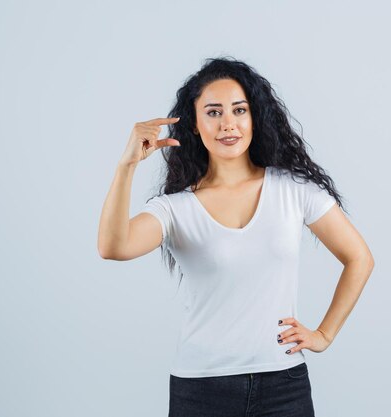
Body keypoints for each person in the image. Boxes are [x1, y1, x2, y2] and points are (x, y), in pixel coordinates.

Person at [97, 57, 375, 417]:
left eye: (239, 110)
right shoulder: (175, 209)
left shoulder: (293, 190)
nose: (228, 123)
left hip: (283, 384)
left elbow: (360, 258)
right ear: (195, 126)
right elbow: (113, 247)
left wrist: (324, 334)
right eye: (213, 112)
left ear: (253, 118)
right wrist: (126, 166)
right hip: (201, 389)